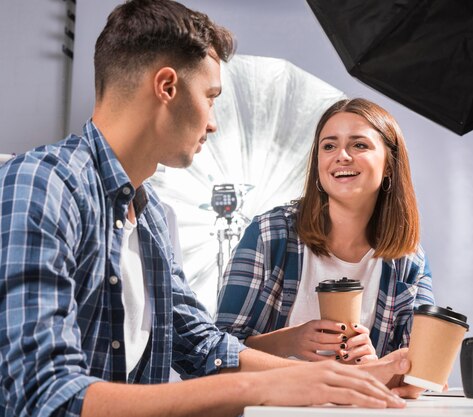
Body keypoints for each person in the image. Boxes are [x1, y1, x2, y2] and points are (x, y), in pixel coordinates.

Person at [0, 2, 415, 416]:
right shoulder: (43, 184)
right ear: (167, 87)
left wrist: (335, 381)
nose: (213, 122)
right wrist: (270, 383)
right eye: (210, 97)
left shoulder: (151, 217)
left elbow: (202, 346)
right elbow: (45, 395)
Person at [216, 98, 434, 364]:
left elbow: (419, 370)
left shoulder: (408, 261)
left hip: (360, 406)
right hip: (272, 405)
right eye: (329, 146)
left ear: (389, 164)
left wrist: (374, 364)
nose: (342, 155)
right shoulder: (269, 234)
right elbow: (216, 349)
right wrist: (289, 341)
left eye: (359, 145)